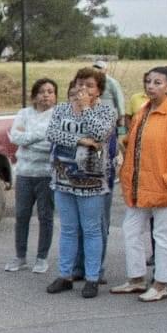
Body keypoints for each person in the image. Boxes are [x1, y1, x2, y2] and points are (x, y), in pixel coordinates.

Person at [109, 67, 167, 302]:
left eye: (157, 82)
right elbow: (136, 143)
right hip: (140, 186)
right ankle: (137, 278)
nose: (151, 86)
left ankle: (161, 283)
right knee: (131, 231)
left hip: (164, 188)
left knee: (162, 235)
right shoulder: (143, 111)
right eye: (148, 81)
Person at [44, 67, 117, 298]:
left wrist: (86, 109)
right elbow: (52, 133)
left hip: (91, 179)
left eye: (89, 86)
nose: (82, 89)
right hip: (63, 176)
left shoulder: (106, 111)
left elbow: (101, 134)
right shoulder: (62, 108)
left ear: (99, 91)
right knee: (67, 229)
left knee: (92, 229)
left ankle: (92, 277)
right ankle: (65, 275)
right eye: (80, 84)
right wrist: (81, 140)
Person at [6, 78, 57, 273]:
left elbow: (52, 144)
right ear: (34, 96)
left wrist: (28, 139)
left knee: (45, 216)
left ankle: (42, 257)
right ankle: (20, 256)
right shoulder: (24, 113)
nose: (46, 95)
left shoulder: (57, 116)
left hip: (46, 174)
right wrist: (39, 136)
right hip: (25, 173)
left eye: (50, 91)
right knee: (21, 216)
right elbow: (15, 137)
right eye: (42, 91)